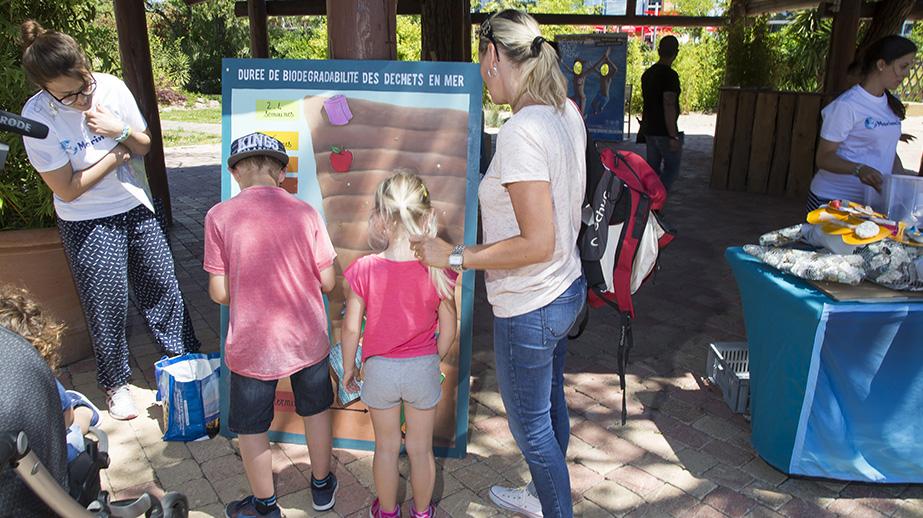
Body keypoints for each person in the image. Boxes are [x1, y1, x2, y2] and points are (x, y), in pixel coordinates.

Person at [412, 9, 587, 518]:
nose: (480, 71)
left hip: (529, 302)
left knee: (531, 431)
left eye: (479, 58)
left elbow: (537, 241)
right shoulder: (565, 112)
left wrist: (457, 256)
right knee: (550, 407)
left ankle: (555, 509)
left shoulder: (521, 132)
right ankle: (540, 498)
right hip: (564, 290)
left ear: (493, 54)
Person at [18, 20, 200, 421]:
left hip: (133, 203)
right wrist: (117, 154)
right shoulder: (36, 119)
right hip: (85, 219)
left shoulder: (112, 87)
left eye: (84, 85)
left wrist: (120, 131)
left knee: (162, 284)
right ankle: (116, 383)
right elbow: (66, 188)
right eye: (69, 95)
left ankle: (183, 358)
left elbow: (144, 144)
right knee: (107, 304)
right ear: (45, 89)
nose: (82, 98)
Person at [204, 133, 338, 517]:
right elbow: (327, 282)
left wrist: (251, 286)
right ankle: (321, 486)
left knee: (251, 427)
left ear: (236, 172)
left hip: (251, 343)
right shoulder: (306, 213)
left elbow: (218, 291)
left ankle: (265, 505)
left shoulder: (219, 216)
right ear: (281, 172)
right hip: (307, 338)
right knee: (315, 412)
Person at [340, 171, 457, 518]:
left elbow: (350, 329)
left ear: (380, 219)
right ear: (427, 214)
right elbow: (449, 329)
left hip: (379, 372)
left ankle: (387, 511)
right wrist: (433, 358)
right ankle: (422, 512)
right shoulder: (438, 268)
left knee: (387, 449)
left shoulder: (364, 269)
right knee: (421, 451)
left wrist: (349, 368)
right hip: (422, 369)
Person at [808, 35, 919, 213]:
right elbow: (824, 157)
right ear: (881, 65)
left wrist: (901, 181)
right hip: (833, 201)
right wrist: (858, 169)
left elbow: (887, 150)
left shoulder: (890, 104)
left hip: (870, 203)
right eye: (903, 66)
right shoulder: (847, 106)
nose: (906, 74)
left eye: (909, 67)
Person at [0, 286, 101, 463]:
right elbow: (66, 420)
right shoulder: (39, 383)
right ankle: (84, 410)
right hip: (44, 467)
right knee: (73, 429)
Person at [640, 35, 683, 192]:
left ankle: (649, 203)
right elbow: (669, 104)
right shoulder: (670, 76)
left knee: (652, 171)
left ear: (658, 51)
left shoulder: (647, 74)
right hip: (664, 131)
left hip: (649, 129)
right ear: (676, 53)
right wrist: (673, 135)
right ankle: (656, 201)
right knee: (671, 170)